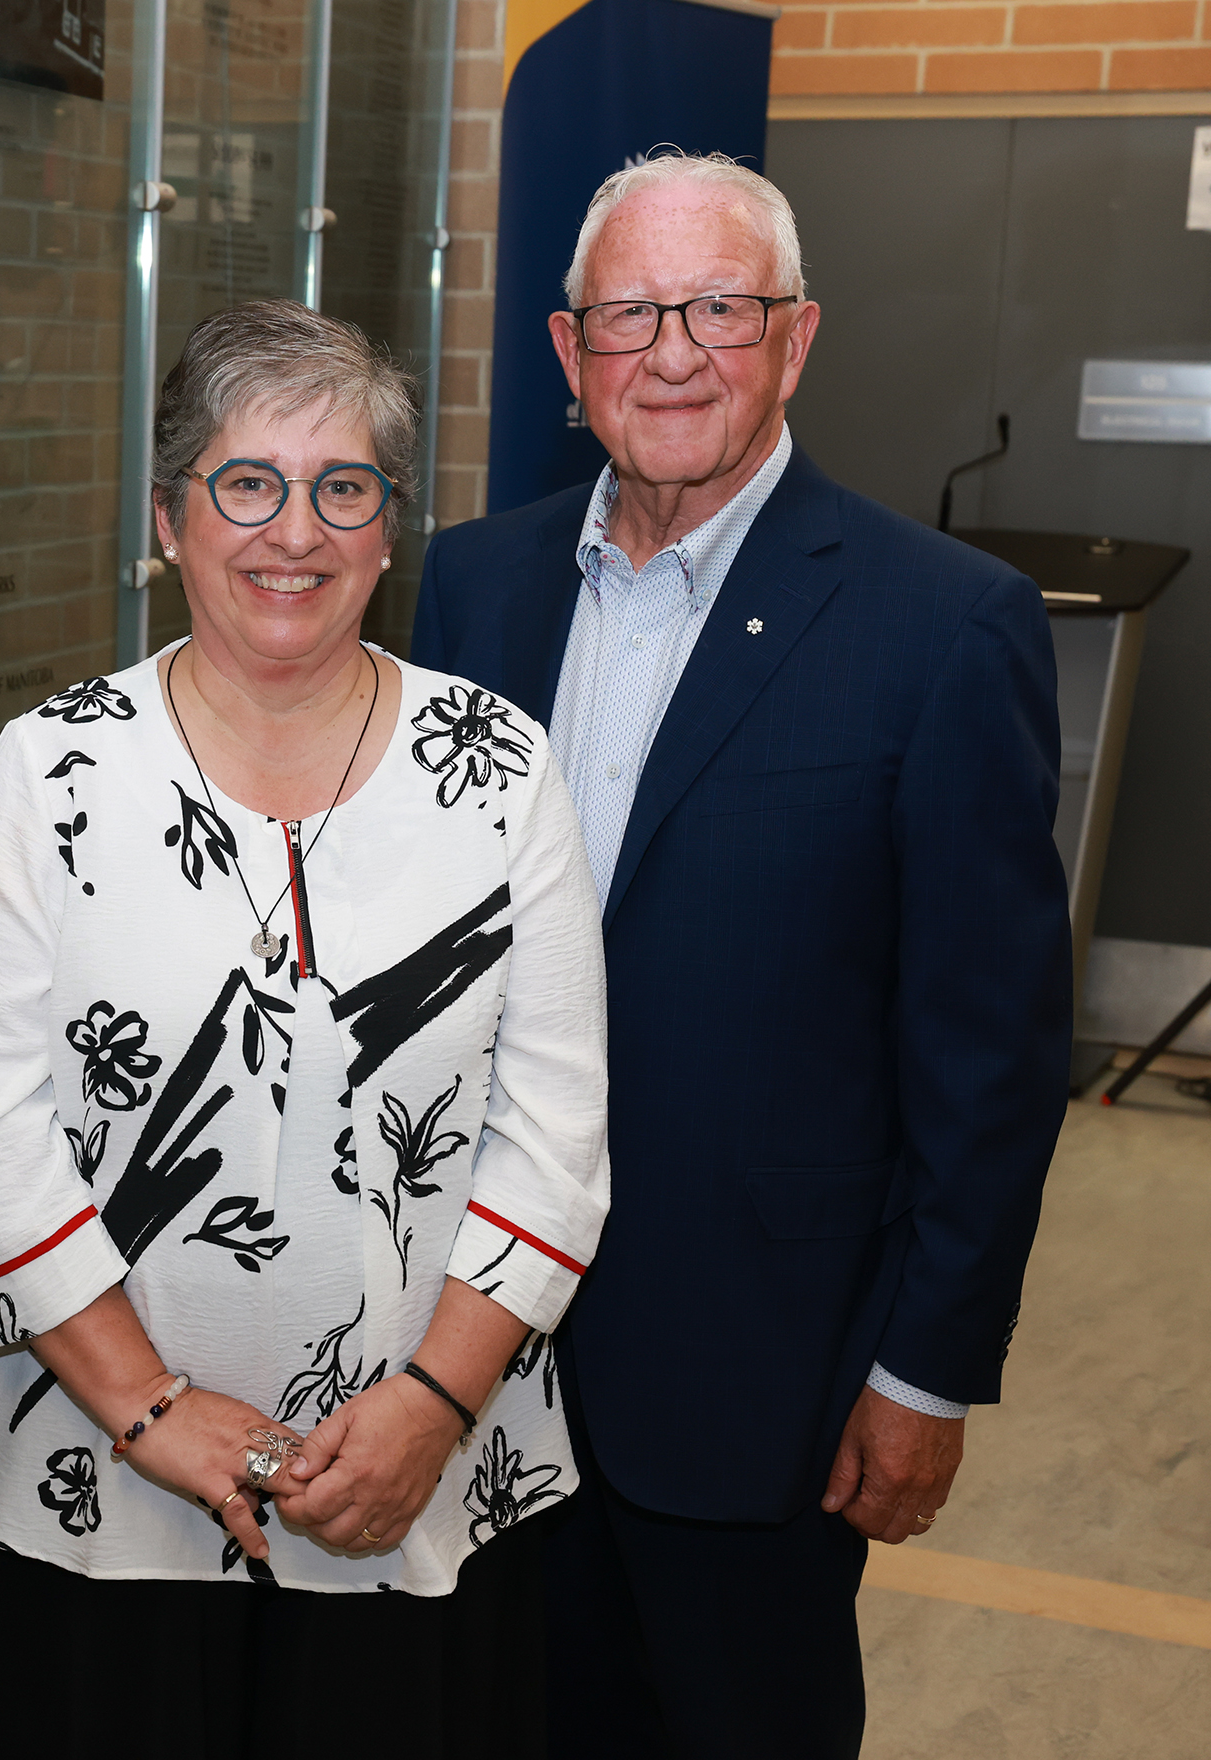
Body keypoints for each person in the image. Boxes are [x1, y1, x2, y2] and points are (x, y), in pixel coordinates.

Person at [412, 152, 1072, 1758]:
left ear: (798, 337)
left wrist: (925, 1375)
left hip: (760, 1385)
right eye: (634, 315)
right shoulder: (472, 586)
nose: (679, 353)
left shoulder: (944, 627)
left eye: (723, 307)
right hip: (470, 1361)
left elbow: (990, 1050)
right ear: (569, 356)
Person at [0, 299, 610, 1757]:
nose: (294, 530)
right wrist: (153, 1409)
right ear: (171, 516)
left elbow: (555, 1141)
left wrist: (427, 1407)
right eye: (247, 482)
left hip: (418, 1485)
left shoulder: (498, 774)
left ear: (386, 524)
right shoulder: (52, 774)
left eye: (342, 486)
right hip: (90, 1485)